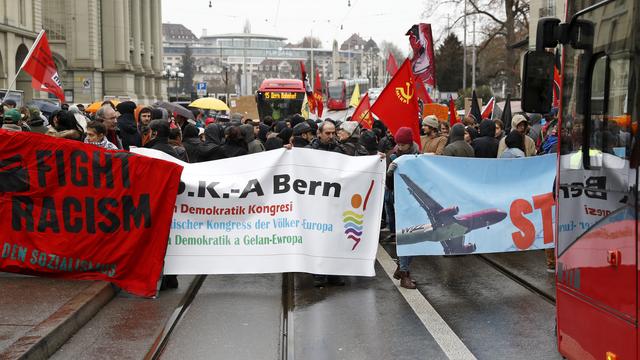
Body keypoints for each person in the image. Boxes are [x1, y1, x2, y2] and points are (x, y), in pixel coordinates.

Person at [146, 119, 180, 290]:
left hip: (156, 202)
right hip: (171, 201)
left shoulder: (151, 152)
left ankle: (158, 277)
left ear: (154, 133)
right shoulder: (174, 152)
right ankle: (170, 276)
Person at [385, 127, 420, 289]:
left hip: (415, 201)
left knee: (416, 236)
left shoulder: (418, 156)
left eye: (402, 144)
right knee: (407, 236)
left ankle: (402, 268)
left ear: (410, 143)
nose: (399, 147)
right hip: (400, 203)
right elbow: (389, 186)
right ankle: (404, 273)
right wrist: (390, 173)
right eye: (397, 144)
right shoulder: (392, 156)